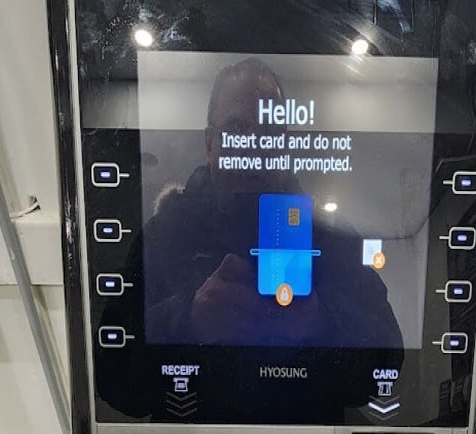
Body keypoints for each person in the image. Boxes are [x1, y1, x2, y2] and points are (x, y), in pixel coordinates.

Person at [140, 57, 403, 350]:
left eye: (269, 133)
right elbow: (113, 355)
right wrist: (188, 319)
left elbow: (389, 349)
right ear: (210, 143)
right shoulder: (167, 231)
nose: (255, 148)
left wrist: (320, 321)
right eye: (237, 130)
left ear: (284, 145)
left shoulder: (328, 235)